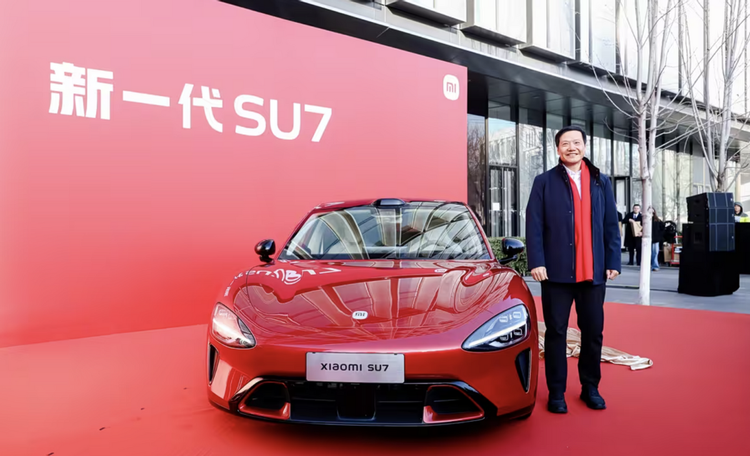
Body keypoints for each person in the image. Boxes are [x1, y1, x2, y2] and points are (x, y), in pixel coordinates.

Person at [526, 125, 622, 414]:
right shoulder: (544, 182)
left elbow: (610, 224)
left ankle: (590, 387)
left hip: (593, 272)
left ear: (584, 146)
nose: (571, 147)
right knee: (556, 332)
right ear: (557, 149)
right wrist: (536, 261)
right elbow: (534, 224)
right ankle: (556, 392)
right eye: (565, 143)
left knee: (593, 332)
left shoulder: (600, 181)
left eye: (576, 142)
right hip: (555, 273)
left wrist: (613, 261)